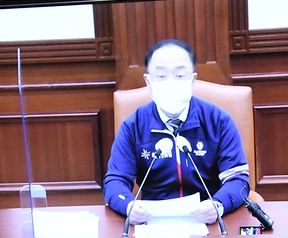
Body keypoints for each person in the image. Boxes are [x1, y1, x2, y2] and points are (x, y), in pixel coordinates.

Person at [103, 39, 250, 226]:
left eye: (180, 75)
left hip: (208, 221)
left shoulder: (218, 121)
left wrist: (218, 205)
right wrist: (128, 206)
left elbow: (237, 179)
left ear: (192, 80)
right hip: (151, 222)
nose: (171, 83)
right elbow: (115, 180)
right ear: (148, 81)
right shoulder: (133, 126)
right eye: (161, 76)